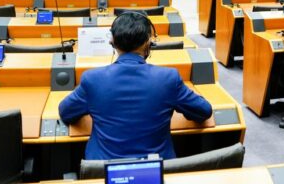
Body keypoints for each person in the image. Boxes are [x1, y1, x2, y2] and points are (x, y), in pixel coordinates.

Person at [59, 12, 212, 160]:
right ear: (148, 42)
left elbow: (65, 112)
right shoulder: (169, 78)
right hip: (157, 170)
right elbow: (204, 111)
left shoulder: (92, 79)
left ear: (112, 41)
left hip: (104, 170)